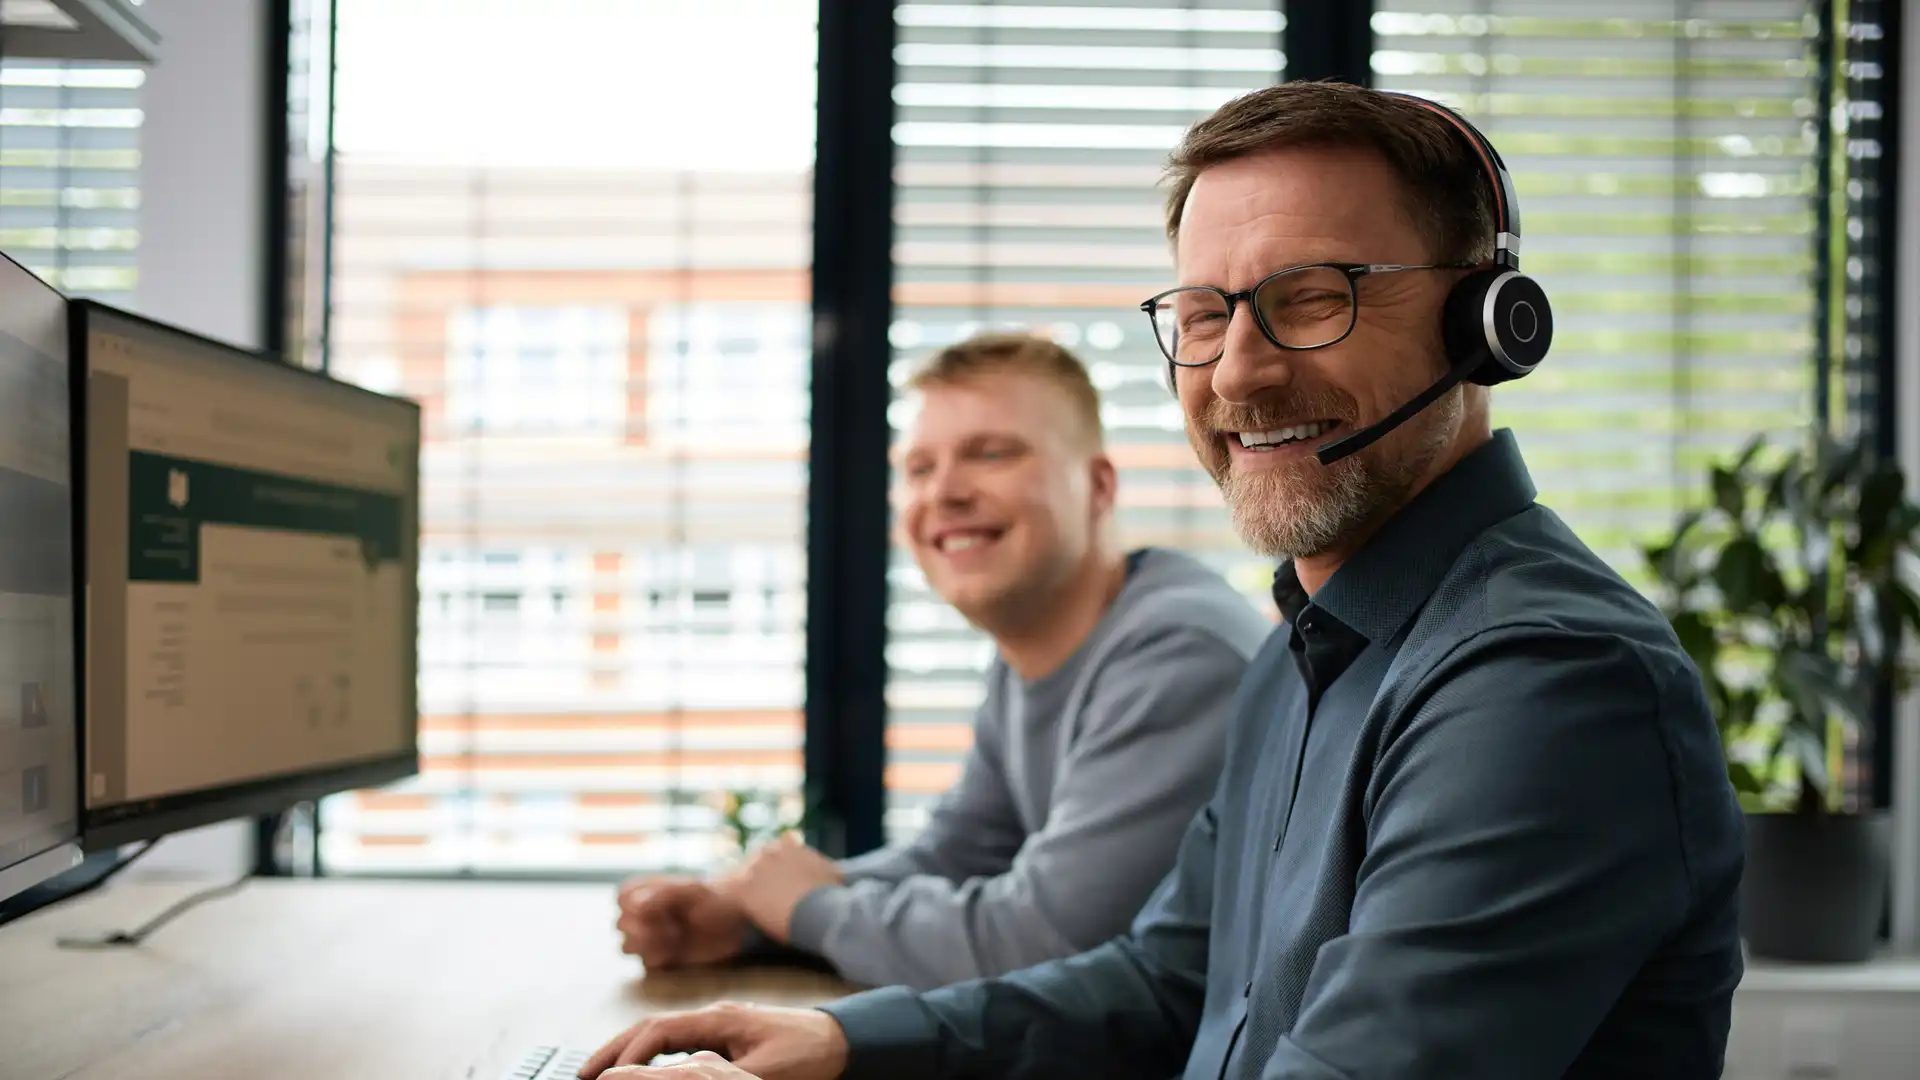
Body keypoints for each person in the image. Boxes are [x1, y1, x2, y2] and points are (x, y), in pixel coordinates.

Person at [578, 81, 1747, 1080]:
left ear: (1485, 325)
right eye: (1201, 314)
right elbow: (1166, 977)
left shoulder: (1544, 680)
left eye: (1311, 298)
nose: (1236, 373)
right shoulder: (1306, 649)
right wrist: (843, 1041)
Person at [615, 331, 1273, 992]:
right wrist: (748, 917)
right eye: (920, 468)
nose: (945, 492)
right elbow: (958, 856)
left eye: (991, 453)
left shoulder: (1178, 654)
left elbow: (1044, 938)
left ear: (1098, 486)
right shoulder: (1035, 648)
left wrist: (809, 909)